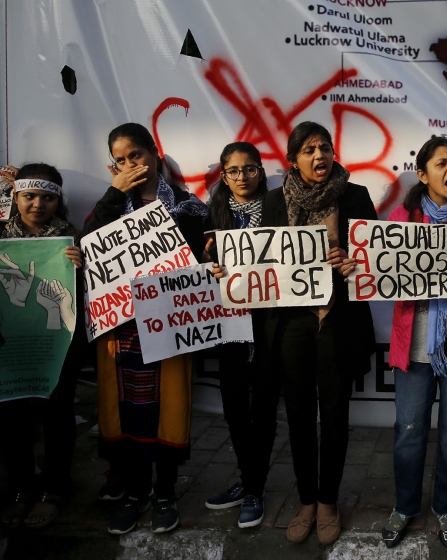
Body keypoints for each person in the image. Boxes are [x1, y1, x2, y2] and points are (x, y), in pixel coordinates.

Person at [341, 137, 447, 549]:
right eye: (443, 163)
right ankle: (406, 505)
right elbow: (380, 272)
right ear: (423, 173)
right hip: (413, 343)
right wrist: (355, 266)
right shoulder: (403, 216)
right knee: (409, 430)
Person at [82, 122, 210, 535]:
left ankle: (165, 493)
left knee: (166, 410)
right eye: (120, 160)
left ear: (155, 153)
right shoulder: (108, 208)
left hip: (169, 327)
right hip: (121, 331)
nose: (130, 165)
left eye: (135, 155)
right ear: (111, 166)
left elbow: (198, 268)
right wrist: (115, 191)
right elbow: (88, 245)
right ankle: (136, 492)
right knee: (129, 411)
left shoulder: (191, 209)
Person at [261, 121, 377, 545]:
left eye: (324, 147)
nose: (319, 156)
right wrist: (228, 268)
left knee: (334, 412)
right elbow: (259, 262)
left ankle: (328, 500)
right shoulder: (274, 202)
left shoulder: (356, 196)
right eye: (309, 150)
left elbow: (375, 261)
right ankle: (306, 499)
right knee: (297, 412)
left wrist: (354, 263)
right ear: (293, 160)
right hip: (293, 322)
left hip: (339, 319)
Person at [0, 163, 84, 530]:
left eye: (47, 197)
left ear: (58, 200)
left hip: (56, 346)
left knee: (57, 415)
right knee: (13, 416)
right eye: (29, 196)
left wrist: (82, 266)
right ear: (15, 197)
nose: (38, 204)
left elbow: (88, 296)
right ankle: (20, 489)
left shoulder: (72, 239)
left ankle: (54, 488)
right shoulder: (2, 236)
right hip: (11, 345)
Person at [203, 143, 279, 529]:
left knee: (263, 409)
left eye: (250, 169)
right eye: (234, 171)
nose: (242, 177)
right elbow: (190, 267)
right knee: (234, 407)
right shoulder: (208, 214)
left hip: (267, 325)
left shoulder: (278, 209)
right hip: (228, 324)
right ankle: (248, 481)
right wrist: (208, 268)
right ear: (223, 174)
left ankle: (254, 488)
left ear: (261, 172)